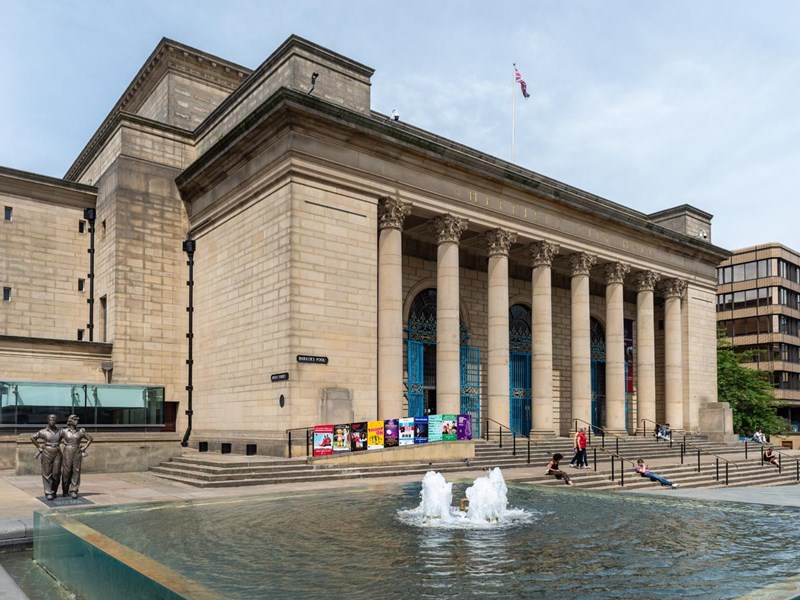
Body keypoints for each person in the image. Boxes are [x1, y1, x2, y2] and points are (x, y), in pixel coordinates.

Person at [30, 414, 64, 500]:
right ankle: (48, 492)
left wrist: (80, 430)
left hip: (57, 452)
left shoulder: (60, 431)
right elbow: (33, 437)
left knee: (56, 473)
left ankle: (54, 490)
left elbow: (69, 435)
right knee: (47, 473)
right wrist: (39, 447)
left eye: (54, 420)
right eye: (51, 419)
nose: (52, 421)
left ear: (56, 421)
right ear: (47, 420)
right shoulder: (43, 431)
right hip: (47, 452)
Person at [61, 414, 93, 499]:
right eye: (75, 420)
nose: (77, 421)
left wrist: (85, 447)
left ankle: (73, 490)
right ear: (70, 421)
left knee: (76, 471)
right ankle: (65, 490)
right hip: (67, 451)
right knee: (66, 471)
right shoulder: (64, 431)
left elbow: (90, 439)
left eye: (77, 420)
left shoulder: (81, 431)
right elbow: (56, 439)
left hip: (77, 451)